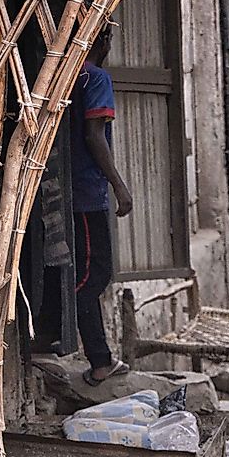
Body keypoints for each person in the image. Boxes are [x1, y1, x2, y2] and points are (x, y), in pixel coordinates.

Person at [70, 25, 133, 385]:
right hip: (87, 191)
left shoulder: (67, 76)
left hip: (69, 187)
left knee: (87, 271)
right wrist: (119, 186)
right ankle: (99, 360)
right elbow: (95, 136)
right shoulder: (94, 78)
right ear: (103, 41)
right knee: (93, 274)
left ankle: (101, 358)